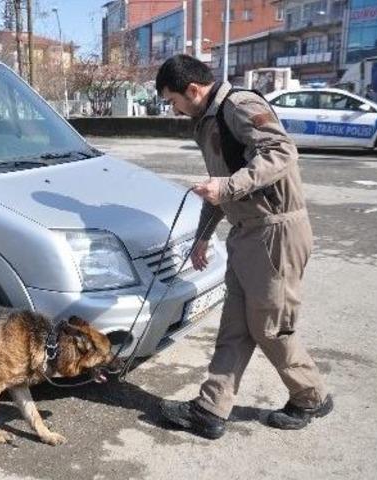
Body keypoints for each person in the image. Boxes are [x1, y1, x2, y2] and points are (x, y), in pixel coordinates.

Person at [153, 55, 332, 439]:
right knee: (234, 326)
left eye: (173, 100)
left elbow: (282, 152)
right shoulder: (207, 122)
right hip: (245, 233)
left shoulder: (240, 106)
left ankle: (310, 395)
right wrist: (202, 237)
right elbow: (218, 187)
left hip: (275, 233)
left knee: (269, 327)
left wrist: (227, 188)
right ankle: (210, 409)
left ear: (193, 90)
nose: (173, 109)